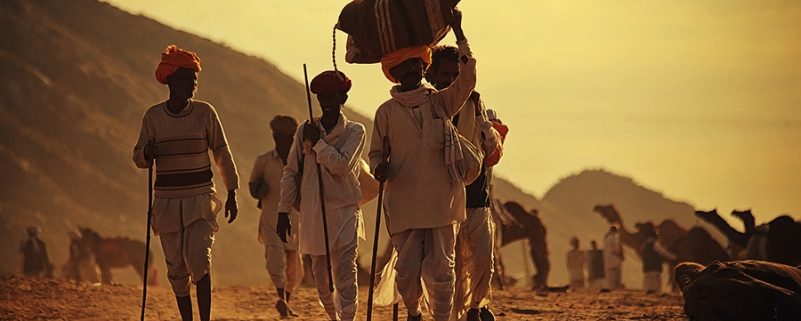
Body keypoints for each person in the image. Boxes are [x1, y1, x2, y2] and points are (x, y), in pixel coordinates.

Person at [369, 9, 476, 321]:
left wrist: (459, 32)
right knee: (406, 269)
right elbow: (376, 154)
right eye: (407, 66)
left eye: (418, 63)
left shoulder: (440, 102)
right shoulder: (385, 112)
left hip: (443, 200)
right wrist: (379, 168)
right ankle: (413, 312)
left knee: (442, 268)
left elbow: (467, 79)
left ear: (423, 66)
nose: (413, 69)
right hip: (404, 203)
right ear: (397, 72)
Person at [133, 45, 239, 321]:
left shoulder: (205, 113)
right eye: (186, 80)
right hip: (167, 204)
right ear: (170, 81)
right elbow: (138, 157)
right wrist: (147, 152)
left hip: (200, 199)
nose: (192, 85)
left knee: (200, 262)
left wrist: (232, 191)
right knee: (177, 270)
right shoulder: (153, 118)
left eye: (194, 80)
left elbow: (221, 152)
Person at [277, 70, 365, 321]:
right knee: (322, 279)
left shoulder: (355, 131)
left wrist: (318, 145)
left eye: (331, 96)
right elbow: (291, 171)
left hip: (346, 211)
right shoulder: (305, 129)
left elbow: (342, 166)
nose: (326, 102)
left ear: (343, 98)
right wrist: (283, 211)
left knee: (346, 274)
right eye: (321, 97)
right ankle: (333, 317)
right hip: (314, 214)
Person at [426, 44, 501, 321]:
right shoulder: (428, 105)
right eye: (444, 74)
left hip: (476, 198)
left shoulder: (474, 102)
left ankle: (476, 307)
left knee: (483, 259)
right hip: (443, 202)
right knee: (451, 266)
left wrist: (482, 118)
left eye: (454, 74)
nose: (449, 80)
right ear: (432, 74)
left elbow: (491, 146)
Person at [249, 115, 304, 317]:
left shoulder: (301, 161)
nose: (287, 140)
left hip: (295, 221)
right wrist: (259, 190)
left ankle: (285, 303)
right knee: (275, 260)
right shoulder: (263, 161)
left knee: (295, 269)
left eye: (291, 137)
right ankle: (281, 299)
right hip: (271, 219)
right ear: (275, 136)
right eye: (283, 136)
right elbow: (252, 186)